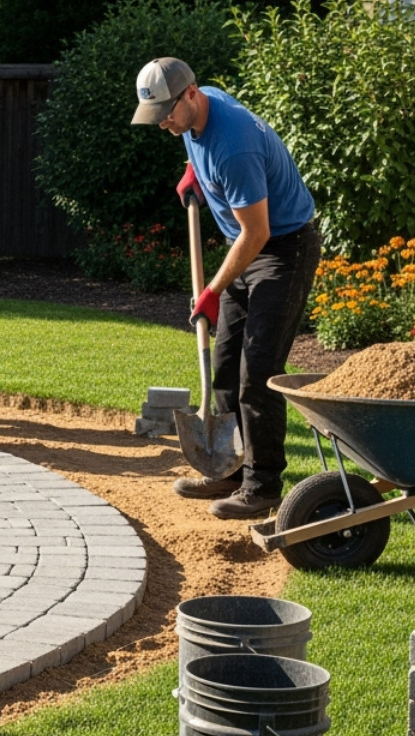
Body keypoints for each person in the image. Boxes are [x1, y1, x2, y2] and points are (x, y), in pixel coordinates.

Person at [132, 57, 321, 520]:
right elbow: (197, 137)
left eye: (167, 115)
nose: (163, 125)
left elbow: (255, 234)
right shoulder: (206, 103)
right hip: (251, 247)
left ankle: (263, 485)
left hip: (282, 248)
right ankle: (230, 468)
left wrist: (213, 290)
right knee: (223, 365)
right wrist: (194, 171)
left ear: (190, 94)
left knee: (257, 372)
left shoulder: (233, 146)